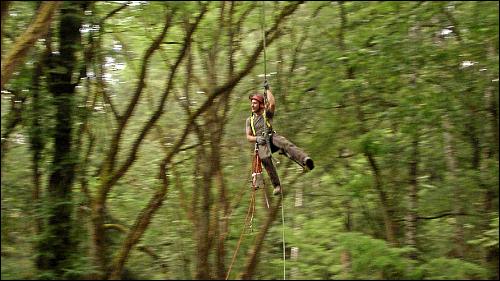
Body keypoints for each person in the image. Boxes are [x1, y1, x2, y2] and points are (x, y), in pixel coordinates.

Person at [245, 82, 314, 195]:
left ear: (260, 105)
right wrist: (256, 139)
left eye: (254, 103)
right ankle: (277, 185)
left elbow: (272, 103)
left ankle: (305, 160)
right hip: (262, 143)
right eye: (251, 103)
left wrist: (268, 90)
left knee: (285, 144)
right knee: (265, 158)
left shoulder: (266, 114)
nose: (252, 105)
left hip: (271, 137)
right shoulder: (249, 120)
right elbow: (248, 136)